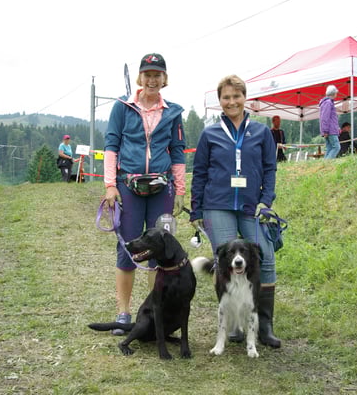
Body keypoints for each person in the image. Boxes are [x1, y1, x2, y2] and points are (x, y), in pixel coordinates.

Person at [190, 74, 281, 348]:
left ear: (245, 97)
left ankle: (264, 326)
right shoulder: (210, 134)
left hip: (252, 206)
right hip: (217, 204)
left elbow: (270, 169)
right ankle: (232, 324)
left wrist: (266, 200)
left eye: (236, 96)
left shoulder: (262, 132)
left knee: (266, 258)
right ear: (220, 101)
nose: (232, 102)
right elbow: (200, 173)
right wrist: (196, 209)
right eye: (226, 97)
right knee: (226, 263)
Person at [103, 53, 186, 335]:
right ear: (140, 77)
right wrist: (110, 185)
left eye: (157, 75)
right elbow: (111, 145)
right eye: (147, 74)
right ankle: (124, 312)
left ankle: (154, 311)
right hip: (129, 187)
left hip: (162, 189)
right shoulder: (122, 107)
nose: (152, 80)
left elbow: (177, 151)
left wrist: (180, 190)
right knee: (128, 247)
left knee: (160, 251)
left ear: (164, 78)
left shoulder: (173, 112)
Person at [319, 85, 341, 159]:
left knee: (329, 148)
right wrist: (325, 130)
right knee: (336, 147)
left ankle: (325, 164)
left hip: (329, 129)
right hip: (330, 130)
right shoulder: (328, 103)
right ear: (334, 93)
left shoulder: (326, 102)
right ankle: (327, 162)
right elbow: (325, 117)